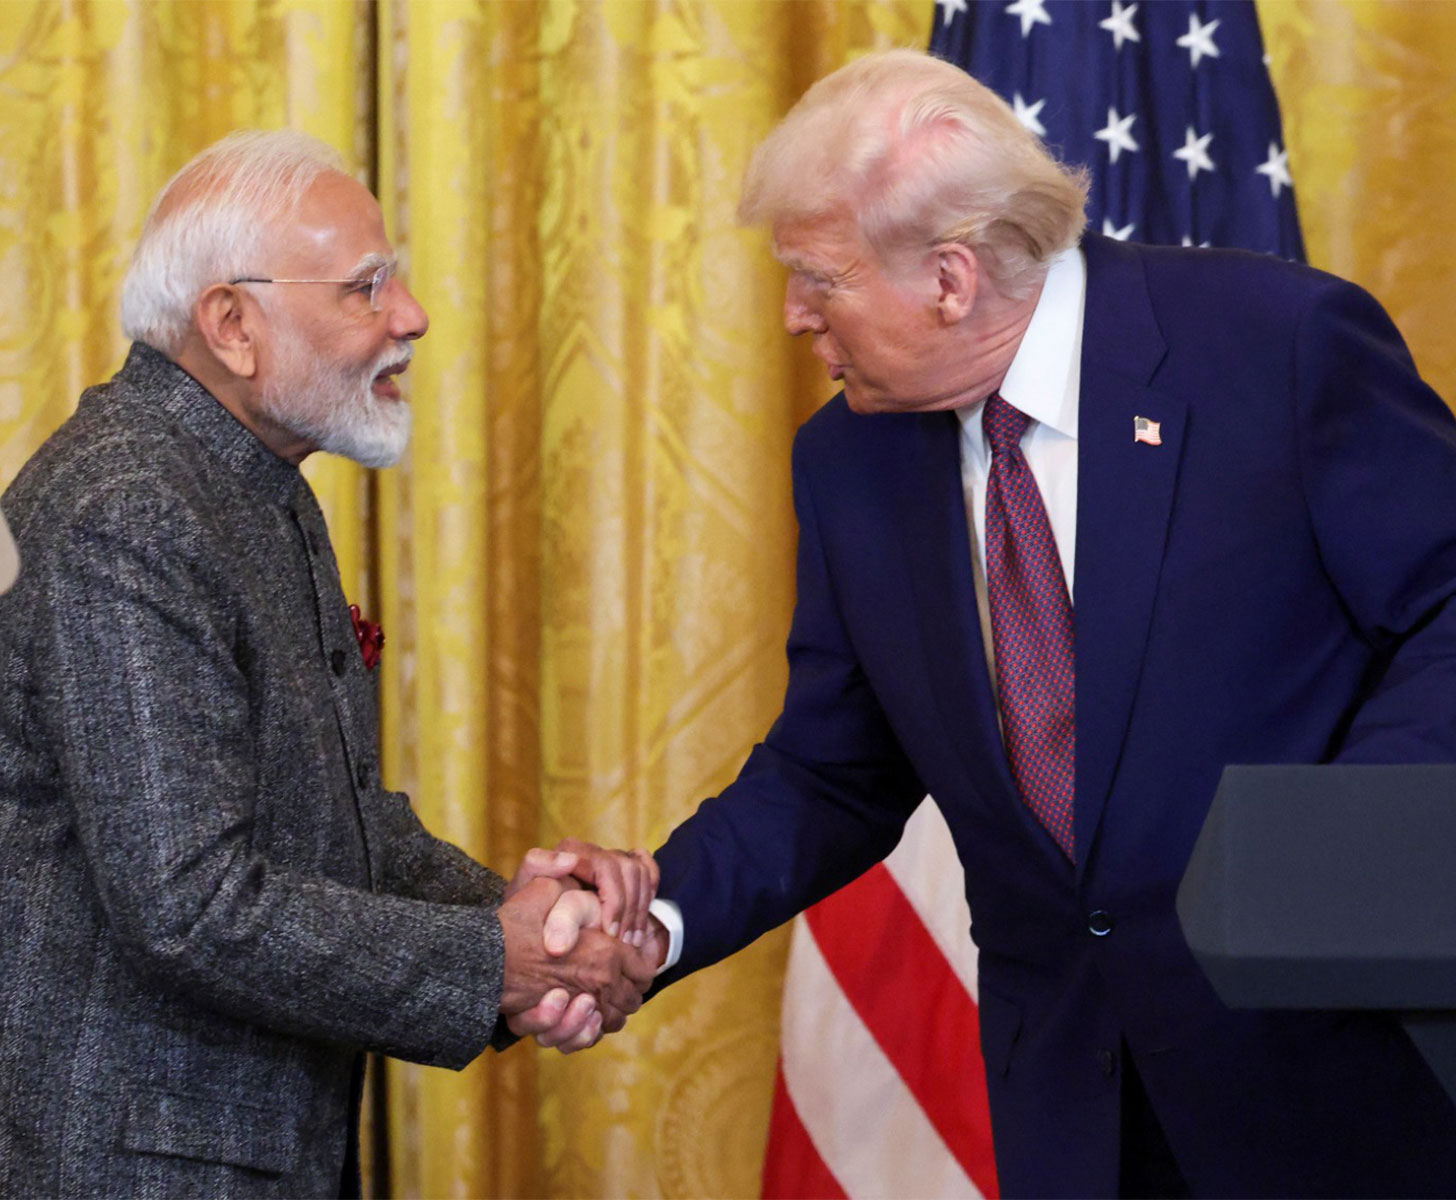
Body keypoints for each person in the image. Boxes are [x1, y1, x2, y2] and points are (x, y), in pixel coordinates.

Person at [568, 50, 1456, 1197]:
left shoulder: (1275, 349)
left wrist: (1340, 840)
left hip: (1329, 1077)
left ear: (948, 279)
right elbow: (833, 770)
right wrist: (656, 915)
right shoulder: (850, 460)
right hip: (1071, 1108)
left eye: (815, 276)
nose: (790, 314)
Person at [0, 130, 658, 1199]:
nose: (412, 316)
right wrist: (504, 959)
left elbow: (337, 828)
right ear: (232, 325)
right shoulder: (129, 509)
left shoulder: (250, 483)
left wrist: (519, 918)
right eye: (366, 287)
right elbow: (192, 903)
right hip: (90, 1165)